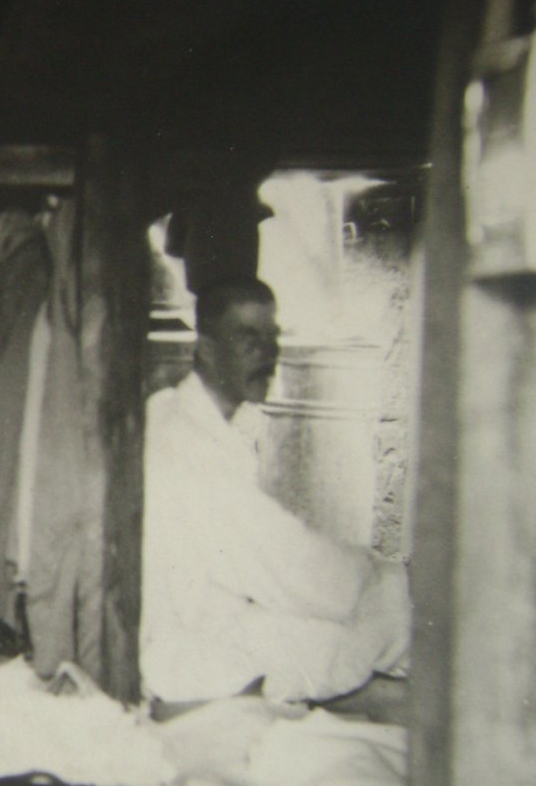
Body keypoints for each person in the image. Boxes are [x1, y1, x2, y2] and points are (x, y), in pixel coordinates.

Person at [140, 277, 410, 718]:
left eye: (273, 336)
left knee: (374, 606)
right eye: (248, 338)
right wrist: (371, 574)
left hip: (216, 616)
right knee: (387, 608)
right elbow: (283, 562)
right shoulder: (186, 441)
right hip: (191, 645)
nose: (267, 353)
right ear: (206, 349)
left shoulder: (182, 414)